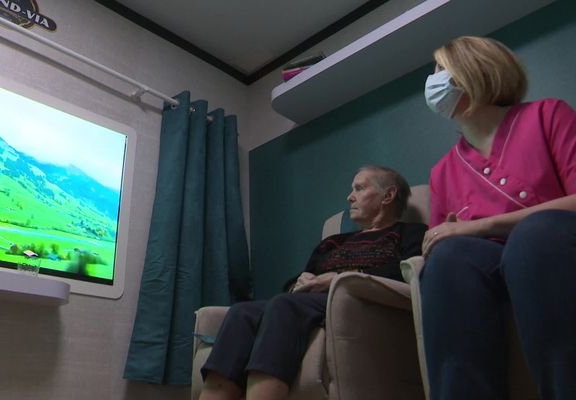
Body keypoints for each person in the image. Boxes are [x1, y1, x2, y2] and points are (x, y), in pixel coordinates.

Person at [420, 35, 576, 399]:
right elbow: (438, 240)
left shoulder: (547, 115)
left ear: (474, 69)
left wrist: (483, 225)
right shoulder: (442, 171)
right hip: (487, 272)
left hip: (551, 249)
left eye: (441, 69)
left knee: (534, 236)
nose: (433, 81)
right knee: (448, 260)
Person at [198, 165, 427, 400]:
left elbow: (407, 270)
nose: (350, 196)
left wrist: (338, 278)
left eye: (359, 188)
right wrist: (298, 282)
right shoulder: (333, 242)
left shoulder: (411, 233)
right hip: (307, 302)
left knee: (283, 306)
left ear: (388, 196)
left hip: (354, 302)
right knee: (242, 312)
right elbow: (301, 277)